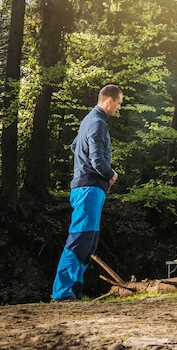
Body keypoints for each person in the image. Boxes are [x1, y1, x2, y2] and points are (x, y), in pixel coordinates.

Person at [52, 84, 123, 302]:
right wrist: (111, 173)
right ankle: (62, 293)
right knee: (80, 239)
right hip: (88, 189)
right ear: (108, 101)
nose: (118, 108)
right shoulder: (97, 122)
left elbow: (75, 147)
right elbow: (96, 158)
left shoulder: (89, 121)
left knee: (89, 242)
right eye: (118, 103)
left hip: (90, 188)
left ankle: (74, 291)